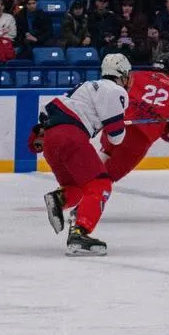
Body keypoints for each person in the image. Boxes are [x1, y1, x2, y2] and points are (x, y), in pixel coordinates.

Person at [27, 54, 131, 256]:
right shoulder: (115, 90)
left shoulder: (86, 86)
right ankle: (79, 233)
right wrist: (120, 125)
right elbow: (116, 138)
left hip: (51, 140)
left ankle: (59, 198)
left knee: (77, 188)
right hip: (71, 137)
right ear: (123, 75)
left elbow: (49, 112)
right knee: (100, 184)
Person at [100, 55, 169, 181]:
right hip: (139, 138)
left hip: (117, 123)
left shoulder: (136, 75)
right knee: (105, 180)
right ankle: (84, 199)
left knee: (98, 163)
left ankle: (70, 194)